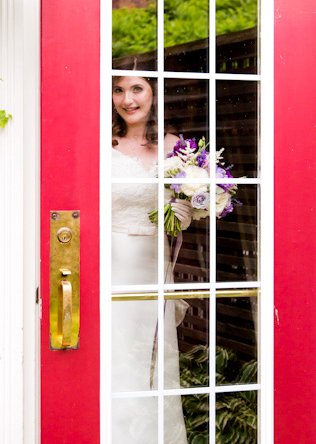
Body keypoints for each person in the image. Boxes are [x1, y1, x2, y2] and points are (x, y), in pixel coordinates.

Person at [110, 75, 190, 444]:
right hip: (112, 263)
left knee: (154, 357)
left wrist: (186, 208)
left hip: (154, 265)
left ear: (155, 93)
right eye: (119, 90)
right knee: (116, 354)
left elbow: (188, 209)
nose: (128, 99)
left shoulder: (175, 147)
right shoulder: (102, 143)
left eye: (137, 88)